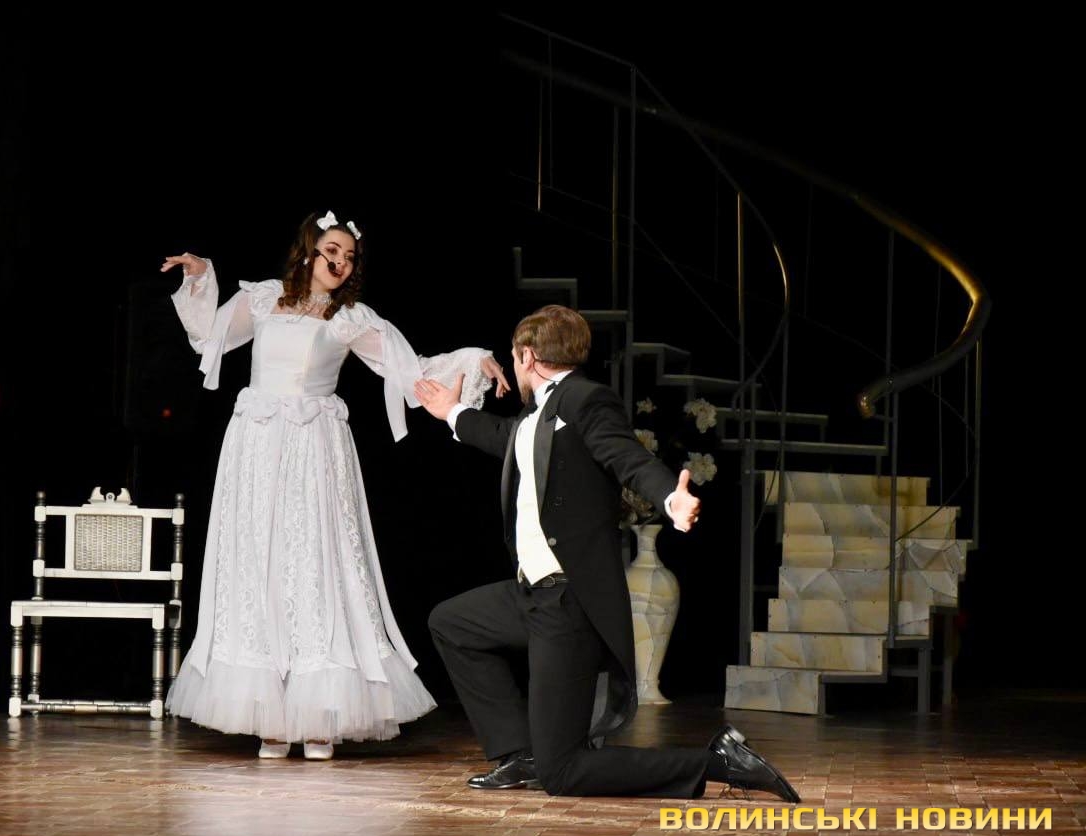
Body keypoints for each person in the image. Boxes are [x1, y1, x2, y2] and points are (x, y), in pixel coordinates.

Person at [413, 305, 800, 801]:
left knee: (565, 772)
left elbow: (627, 457)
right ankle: (519, 754)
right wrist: (452, 412)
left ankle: (717, 761)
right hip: (534, 593)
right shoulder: (537, 415)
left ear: (527, 356)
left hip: (569, 603)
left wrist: (670, 497)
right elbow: (504, 438)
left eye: (513, 357)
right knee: (453, 623)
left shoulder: (585, 399)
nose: (513, 366)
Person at [162, 210, 510, 761]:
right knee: (259, 564)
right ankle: (270, 717)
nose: (340, 262)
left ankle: (320, 715)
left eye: (349, 256)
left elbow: (410, 370)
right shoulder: (263, 298)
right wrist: (202, 276)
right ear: (308, 251)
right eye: (332, 250)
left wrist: (472, 359)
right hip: (256, 446)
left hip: (314, 449)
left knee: (315, 564)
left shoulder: (350, 319)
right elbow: (209, 337)